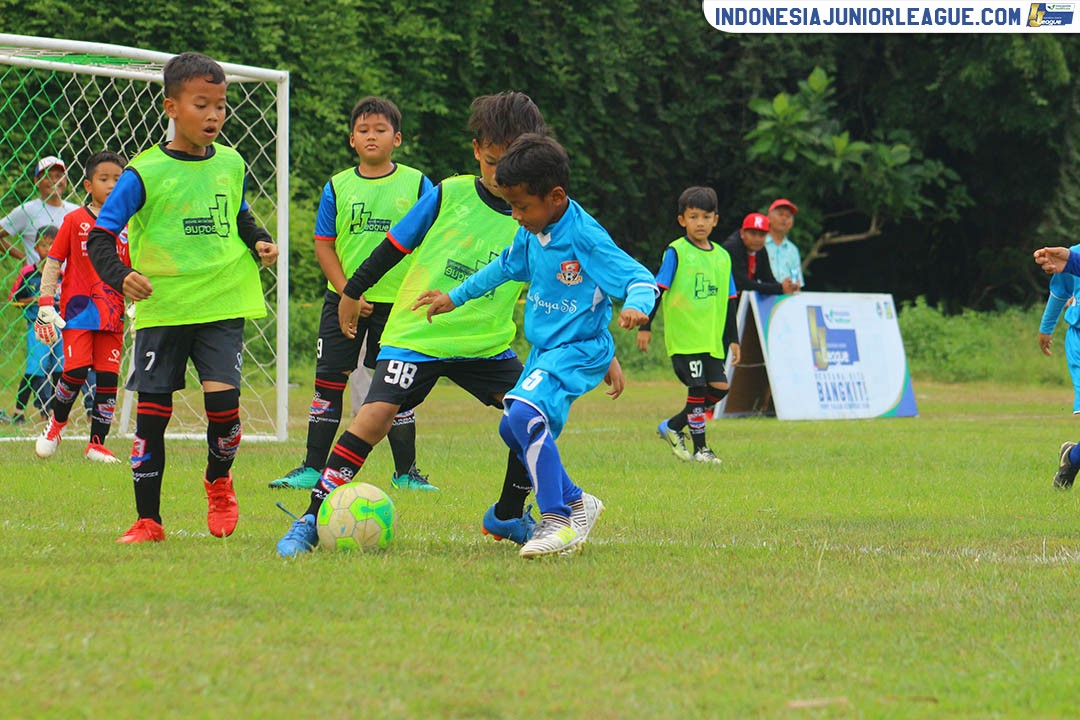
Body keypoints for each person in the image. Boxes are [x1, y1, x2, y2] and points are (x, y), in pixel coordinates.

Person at [275, 92, 549, 557]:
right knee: (375, 416)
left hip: (484, 344)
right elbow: (392, 246)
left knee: (534, 414)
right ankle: (309, 518)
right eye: (492, 163)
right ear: (477, 150)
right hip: (417, 334)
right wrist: (352, 290)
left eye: (514, 168)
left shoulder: (542, 214)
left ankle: (506, 514)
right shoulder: (448, 194)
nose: (502, 179)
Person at [415, 134, 657, 557]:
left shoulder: (584, 235)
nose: (515, 215)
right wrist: (453, 296)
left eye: (522, 206)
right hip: (548, 350)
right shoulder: (532, 230)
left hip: (578, 349)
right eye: (511, 206)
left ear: (556, 196)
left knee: (526, 413)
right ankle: (578, 500)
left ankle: (558, 521)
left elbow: (638, 277)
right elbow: (504, 267)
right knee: (511, 425)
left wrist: (637, 307)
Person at [86, 52, 278, 544]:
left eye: (221, 105)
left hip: (221, 301)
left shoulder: (231, 162)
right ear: (172, 107)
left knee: (226, 407)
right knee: (153, 415)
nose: (214, 115)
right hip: (165, 308)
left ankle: (218, 480)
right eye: (202, 104)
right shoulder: (143, 172)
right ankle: (148, 521)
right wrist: (122, 275)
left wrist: (257, 238)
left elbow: (237, 212)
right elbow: (100, 238)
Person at [267, 96, 435, 492]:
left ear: (397, 138)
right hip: (341, 301)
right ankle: (311, 467)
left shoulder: (417, 184)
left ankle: (406, 473)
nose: (371, 137)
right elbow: (324, 244)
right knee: (329, 381)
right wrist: (348, 293)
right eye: (363, 131)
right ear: (351, 140)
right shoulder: (337, 187)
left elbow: (430, 242)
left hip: (399, 304)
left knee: (397, 385)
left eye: (380, 130)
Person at [33, 150, 129, 463]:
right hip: (79, 311)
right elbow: (53, 260)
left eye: (118, 179)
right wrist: (46, 301)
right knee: (74, 371)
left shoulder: (130, 223)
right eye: (104, 179)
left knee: (108, 379)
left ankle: (96, 444)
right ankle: (55, 425)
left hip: (113, 313)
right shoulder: (74, 220)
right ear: (88, 185)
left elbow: (137, 265)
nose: (112, 185)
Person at [636, 186, 739, 464]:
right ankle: (702, 449)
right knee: (696, 388)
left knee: (718, 388)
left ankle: (672, 426)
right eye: (693, 217)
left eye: (706, 217)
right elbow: (658, 288)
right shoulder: (676, 251)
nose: (700, 223)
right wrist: (645, 326)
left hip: (711, 339)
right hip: (685, 338)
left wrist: (734, 338)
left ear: (716, 219)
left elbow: (730, 300)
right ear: (682, 220)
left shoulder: (722, 256)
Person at [3, 226, 62, 424]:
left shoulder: (63, 274)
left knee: (58, 370)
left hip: (59, 328)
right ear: (36, 247)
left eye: (54, 244)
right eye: (44, 245)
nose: (49, 249)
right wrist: (34, 300)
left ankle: (51, 411)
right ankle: (19, 412)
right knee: (35, 369)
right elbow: (14, 299)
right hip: (37, 327)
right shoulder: (28, 273)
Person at [0, 156, 79, 263]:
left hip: (69, 278)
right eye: (47, 176)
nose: (55, 180)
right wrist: (23, 258)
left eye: (59, 176)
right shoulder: (27, 211)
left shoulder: (76, 211)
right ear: (37, 181)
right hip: (38, 278)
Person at [722, 212, 796, 296]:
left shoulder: (760, 249)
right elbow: (742, 283)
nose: (757, 239)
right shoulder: (732, 247)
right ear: (742, 233)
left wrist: (786, 286)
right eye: (753, 234)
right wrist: (779, 288)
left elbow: (768, 278)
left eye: (762, 235)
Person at [764, 198, 803, 291]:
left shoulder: (793, 249)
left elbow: (798, 282)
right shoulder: (759, 243)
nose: (784, 218)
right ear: (769, 217)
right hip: (760, 297)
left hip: (785, 300)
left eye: (788, 216)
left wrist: (795, 285)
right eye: (780, 214)